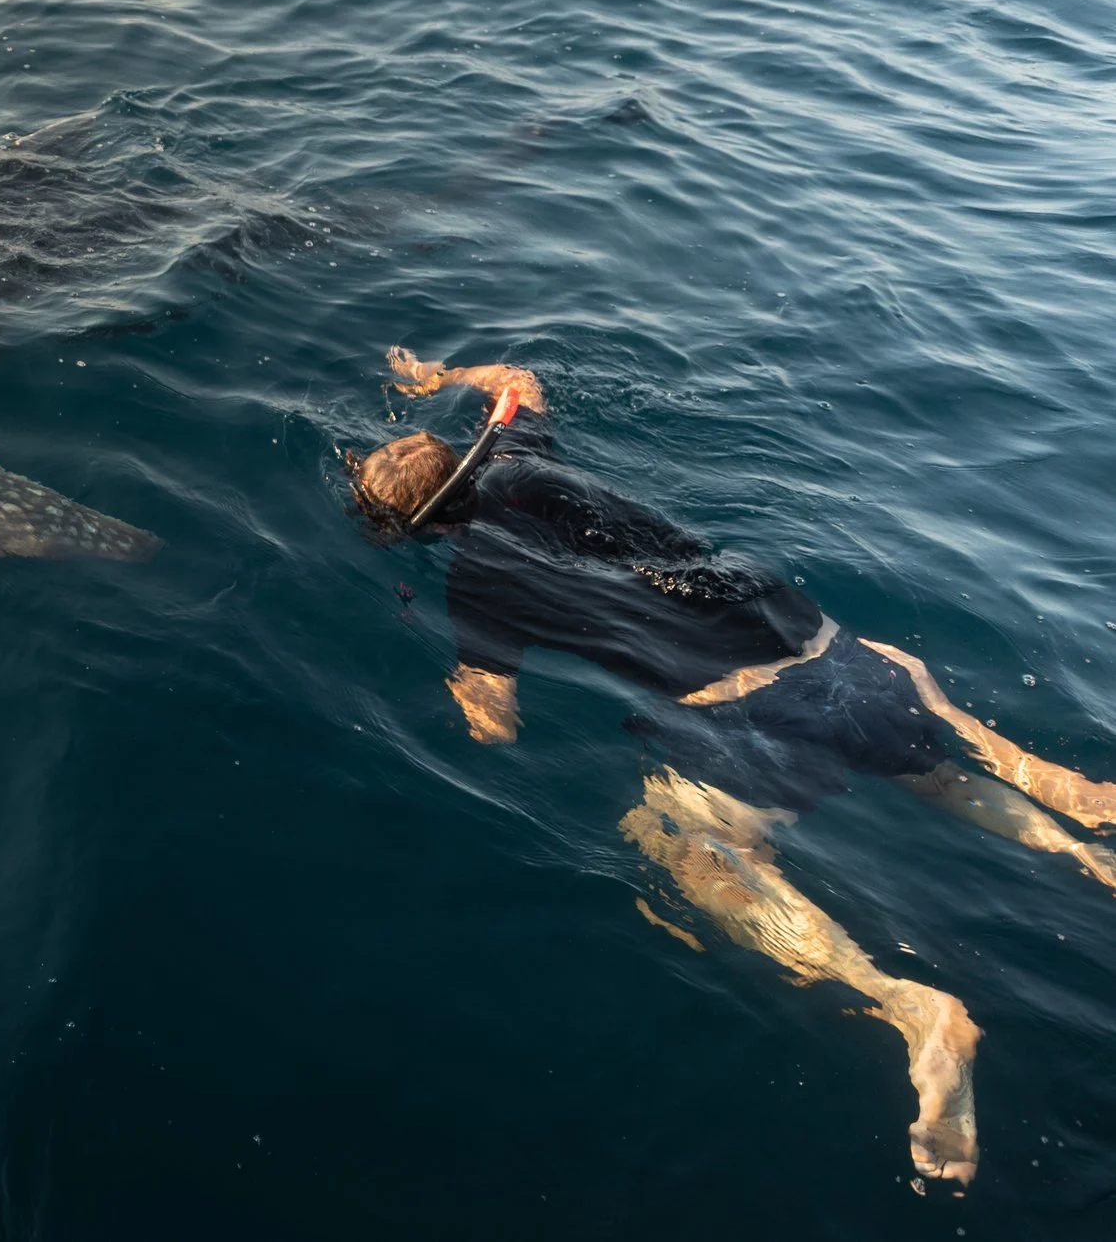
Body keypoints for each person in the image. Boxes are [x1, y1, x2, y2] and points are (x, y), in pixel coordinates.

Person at [352, 346, 1116, 1190]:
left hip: (746, 715)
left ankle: (907, 1004)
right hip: (817, 638)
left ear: (413, 529)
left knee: (680, 842)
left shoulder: (476, 580)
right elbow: (517, 380)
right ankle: (1092, 848)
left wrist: (461, 680)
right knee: (940, 772)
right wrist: (435, 376)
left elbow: (493, 725)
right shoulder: (515, 456)